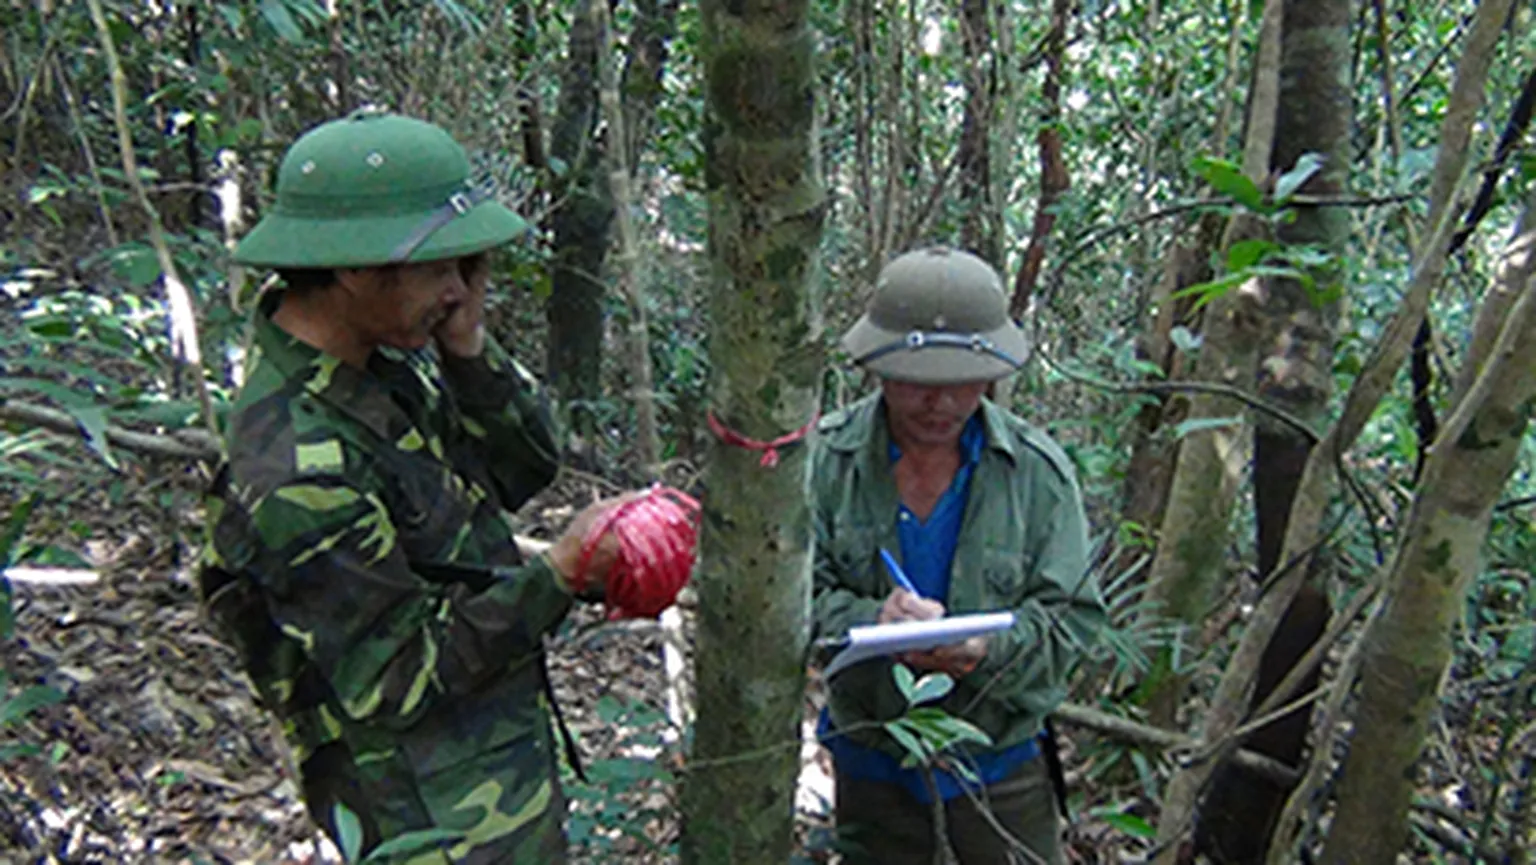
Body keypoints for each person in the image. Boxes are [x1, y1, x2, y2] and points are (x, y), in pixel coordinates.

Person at [197, 109, 634, 863]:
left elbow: (521, 468)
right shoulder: (298, 464)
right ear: (355, 266)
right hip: (427, 821)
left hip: (493, 777)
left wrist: (466, 350)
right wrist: (558, 574)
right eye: (440, 266)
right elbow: (397, 676)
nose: (459, 288)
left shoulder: (381, 364)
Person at [811, 246, 1107, 865]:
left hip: (1001, 765)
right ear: (880, 368)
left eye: (961, 383)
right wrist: (868, 625)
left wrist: (987, 651)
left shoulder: (1037, 474)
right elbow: (784, 600)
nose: (939, 404)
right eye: (919, 382)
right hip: (872, 763)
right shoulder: (824, 462)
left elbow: (1073, 620)